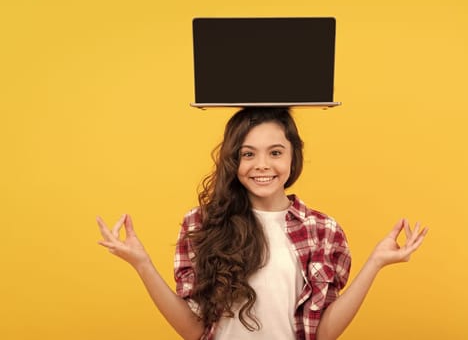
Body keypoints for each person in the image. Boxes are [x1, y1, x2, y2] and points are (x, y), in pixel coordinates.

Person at [96, 107, 428, 340]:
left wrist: (376, 263)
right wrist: (141, 264)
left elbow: (322, 334)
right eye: (248, 153)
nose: (262, 165)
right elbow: (193, 330)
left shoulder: (322, 231)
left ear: (292, 156)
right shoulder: (202, 223)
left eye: (275, 152)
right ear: (233, 159)